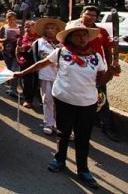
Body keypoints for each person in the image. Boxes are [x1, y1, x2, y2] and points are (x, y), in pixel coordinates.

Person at [14, 26, 116, 189]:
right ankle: (59, 160)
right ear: (69, 38)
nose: (82, 38)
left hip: (87, 103)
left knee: (83, 137)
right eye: (78, 35)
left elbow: (100, 81)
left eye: (84, 35)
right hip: (63, 99)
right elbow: (41, 63)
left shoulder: (96, 57)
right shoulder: (61, 53)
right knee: (63, 132)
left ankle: (83, 169)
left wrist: (110, 73)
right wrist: (22, 73)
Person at [68, 5, 121, 142]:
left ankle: (107, 127)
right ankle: (72, 128)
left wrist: (110, 66)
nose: (91, 17)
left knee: (101, 97)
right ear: (82, 14)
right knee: (75, 99)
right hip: (76, 69)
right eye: (88, 14)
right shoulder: (73, 28)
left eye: (94, 15)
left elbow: (108, 50)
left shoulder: (101, 31)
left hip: (97, 69)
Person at [33, 17, 65, 135]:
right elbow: (33, 58)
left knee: (62, 102)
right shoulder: (39, 42)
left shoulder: (64, 43)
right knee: (47, 100)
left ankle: (62, 125)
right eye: (47, 28)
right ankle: (48, 123)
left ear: (58, 30)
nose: (50, 30)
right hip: (46, 75)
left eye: (52, 28)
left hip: (63, 77)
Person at [16, 20, 39, 108]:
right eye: (26, 27)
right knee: (27, 82)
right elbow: (17, 50)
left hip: (36, 63)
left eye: (29, 27)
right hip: (25, 63)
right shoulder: (21, 38)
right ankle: (27, 100)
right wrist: (18, 58)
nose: (27, 29)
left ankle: (37, 97)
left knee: (35, 82)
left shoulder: (39, 39)